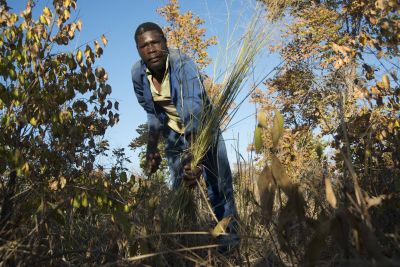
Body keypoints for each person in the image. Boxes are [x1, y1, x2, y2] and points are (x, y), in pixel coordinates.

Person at [131, 22, 239, 247]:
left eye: (155, 42)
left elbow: (193, 110)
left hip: (204, 130)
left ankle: (230, 246)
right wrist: (151, 150)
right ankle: (184, 244)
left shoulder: (183, 64)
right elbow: (152, 114)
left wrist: (194, 157)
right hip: (173, 135)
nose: (150, 49)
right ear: (138, 50)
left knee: (219, 187)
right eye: (144, 46)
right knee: (180, 187)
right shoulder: (138, 74)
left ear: (165, 43)